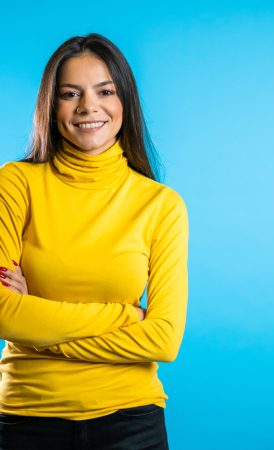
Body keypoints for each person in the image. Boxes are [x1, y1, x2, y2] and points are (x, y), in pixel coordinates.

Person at [0, 33, 189, 450]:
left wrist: (37, 325)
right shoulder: (15, 184)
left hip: (132, 422)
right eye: (71, 94)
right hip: (26, 419)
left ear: (125, 102)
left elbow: (164, 339)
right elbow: (2, 314)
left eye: (105, 91)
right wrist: (124, 317)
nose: (89, 107)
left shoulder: (160, 205)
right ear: (52, 106)